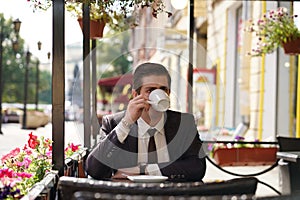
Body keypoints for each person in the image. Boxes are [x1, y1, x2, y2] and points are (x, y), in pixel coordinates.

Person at [85, 62, 206, 182]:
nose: (159, 95)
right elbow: (94, 169)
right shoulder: (114, 123)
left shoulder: (184, 123)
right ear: (135, 94)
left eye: (163, 89)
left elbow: (197, 167)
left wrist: (143, 170)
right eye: (150, 90)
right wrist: (126, 122)